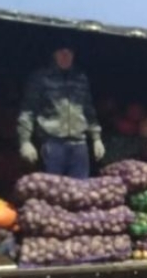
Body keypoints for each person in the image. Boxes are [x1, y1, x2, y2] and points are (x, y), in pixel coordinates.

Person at [16, 42, 105, 179]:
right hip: (52, 144)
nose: (65, 56)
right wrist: (25, 142)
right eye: (61, 53)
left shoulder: (80, 78)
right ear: (54, 54)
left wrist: (96, 139)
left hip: (79, 145)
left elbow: (88, 109)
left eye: (69, 53)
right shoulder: (41, 78)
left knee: (80, 189)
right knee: (53, 188)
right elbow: (28, 111)